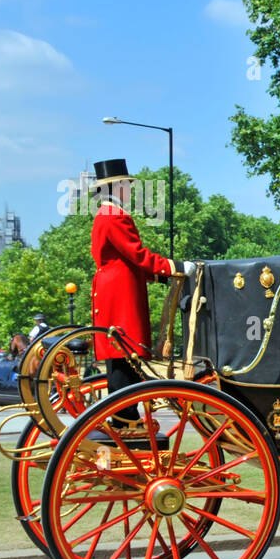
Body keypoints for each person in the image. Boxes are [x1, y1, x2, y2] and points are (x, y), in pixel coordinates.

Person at [89, 158, 191, 423]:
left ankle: (125, 416)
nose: (129, 190)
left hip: (114, 291)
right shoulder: (114, 215)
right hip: (120, 295)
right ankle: (125, 417)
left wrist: (157, 275)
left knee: (121, 355)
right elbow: (137, 255)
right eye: (125, 185)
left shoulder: (106, 214)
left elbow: (126, 259)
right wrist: (174, 267)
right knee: (124, 354)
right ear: (114, 187)